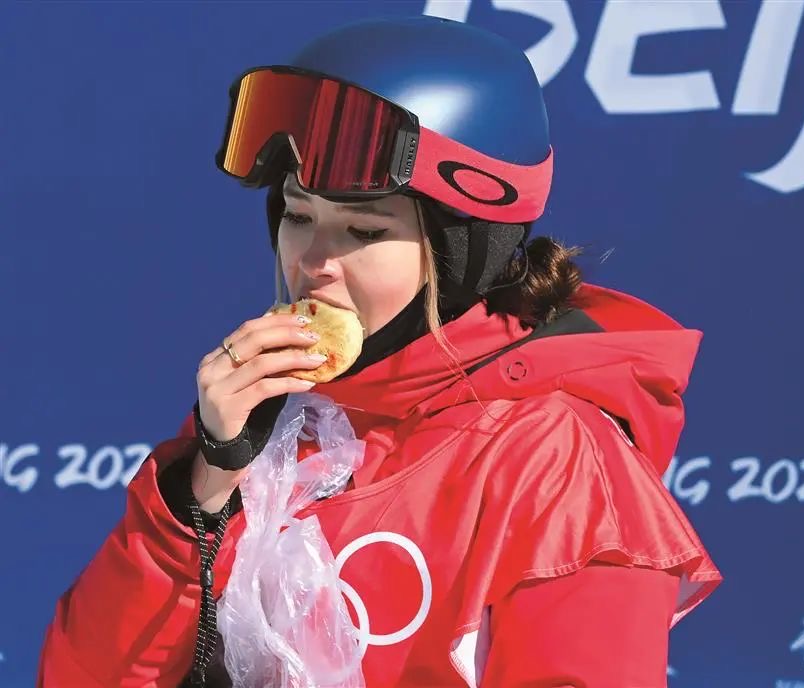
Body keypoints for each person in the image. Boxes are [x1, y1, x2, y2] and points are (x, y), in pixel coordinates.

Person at [37, 15, 721, 688]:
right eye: (298, 216)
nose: (316, 262)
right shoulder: (268, 416)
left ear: (460, 253)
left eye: (363, 229)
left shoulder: (557, 460)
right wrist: (203, 489)